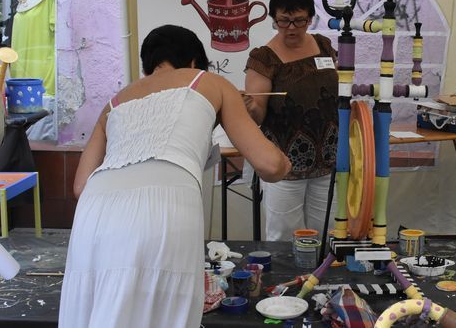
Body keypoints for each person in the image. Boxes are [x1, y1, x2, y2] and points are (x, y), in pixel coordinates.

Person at [58, 25, 291, 328]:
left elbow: (80, 186)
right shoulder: (210, 82)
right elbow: (270, 165)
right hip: (165, 203)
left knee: (99, 311)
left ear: (148, 66)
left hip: (94, 212)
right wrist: (287, 164)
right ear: (194, 62)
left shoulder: (114, 102)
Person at [244, 0, 338, 242]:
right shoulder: (263, 59)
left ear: (310, 18)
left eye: (299, 20)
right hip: (284, 166)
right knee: (285, 238)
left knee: (329, 234)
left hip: (327, 161)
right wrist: (249, 106)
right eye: (284, 21)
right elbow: (257, 116)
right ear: (274, 19)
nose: (292, 28)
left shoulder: (324, 45)